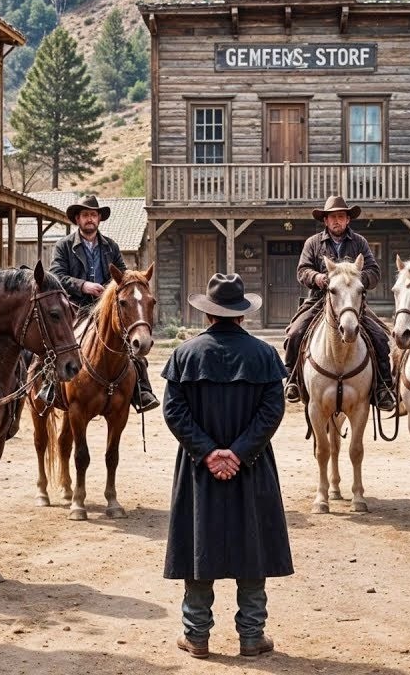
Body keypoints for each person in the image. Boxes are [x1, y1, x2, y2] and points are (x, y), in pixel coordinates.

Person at [162, 273, 292, 659]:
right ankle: (252, 637)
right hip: (251, 467)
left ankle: (196, 636)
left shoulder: (185, 354)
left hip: (199, 471)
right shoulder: (264, 355)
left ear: (208, 314)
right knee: (252, 544)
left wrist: (207, 453)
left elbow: (174, 412)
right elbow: (272, 411)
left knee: (198, 542)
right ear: (242, 315)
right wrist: (238, 453)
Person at [281, 195, 396, 411]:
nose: (337, 221)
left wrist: (354, 279)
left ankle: (383, 387)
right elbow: (302, 270)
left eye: (341, 216)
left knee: (380, 337)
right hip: (319, 300)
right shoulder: (313, 243)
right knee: (295, 333)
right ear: (325, 220)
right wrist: (318, 278)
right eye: (332, 217)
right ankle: (292, 379)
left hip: (353, 303)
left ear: (347, 219)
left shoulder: (359, 242)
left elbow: (374, 271)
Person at [48, 193, 159, 412]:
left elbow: (122, 276)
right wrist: (83, 285)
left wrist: (131, 282)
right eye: (85, 215)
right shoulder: (64, 246)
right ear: (78, 219)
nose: (89, 219)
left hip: (106, 309)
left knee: (128, 342)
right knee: (55, 344)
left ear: (99, 219)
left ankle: (142, 390)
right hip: (74, 307)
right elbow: (56, 276)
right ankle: (49, 386)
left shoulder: (110, 246)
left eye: (93, 215)